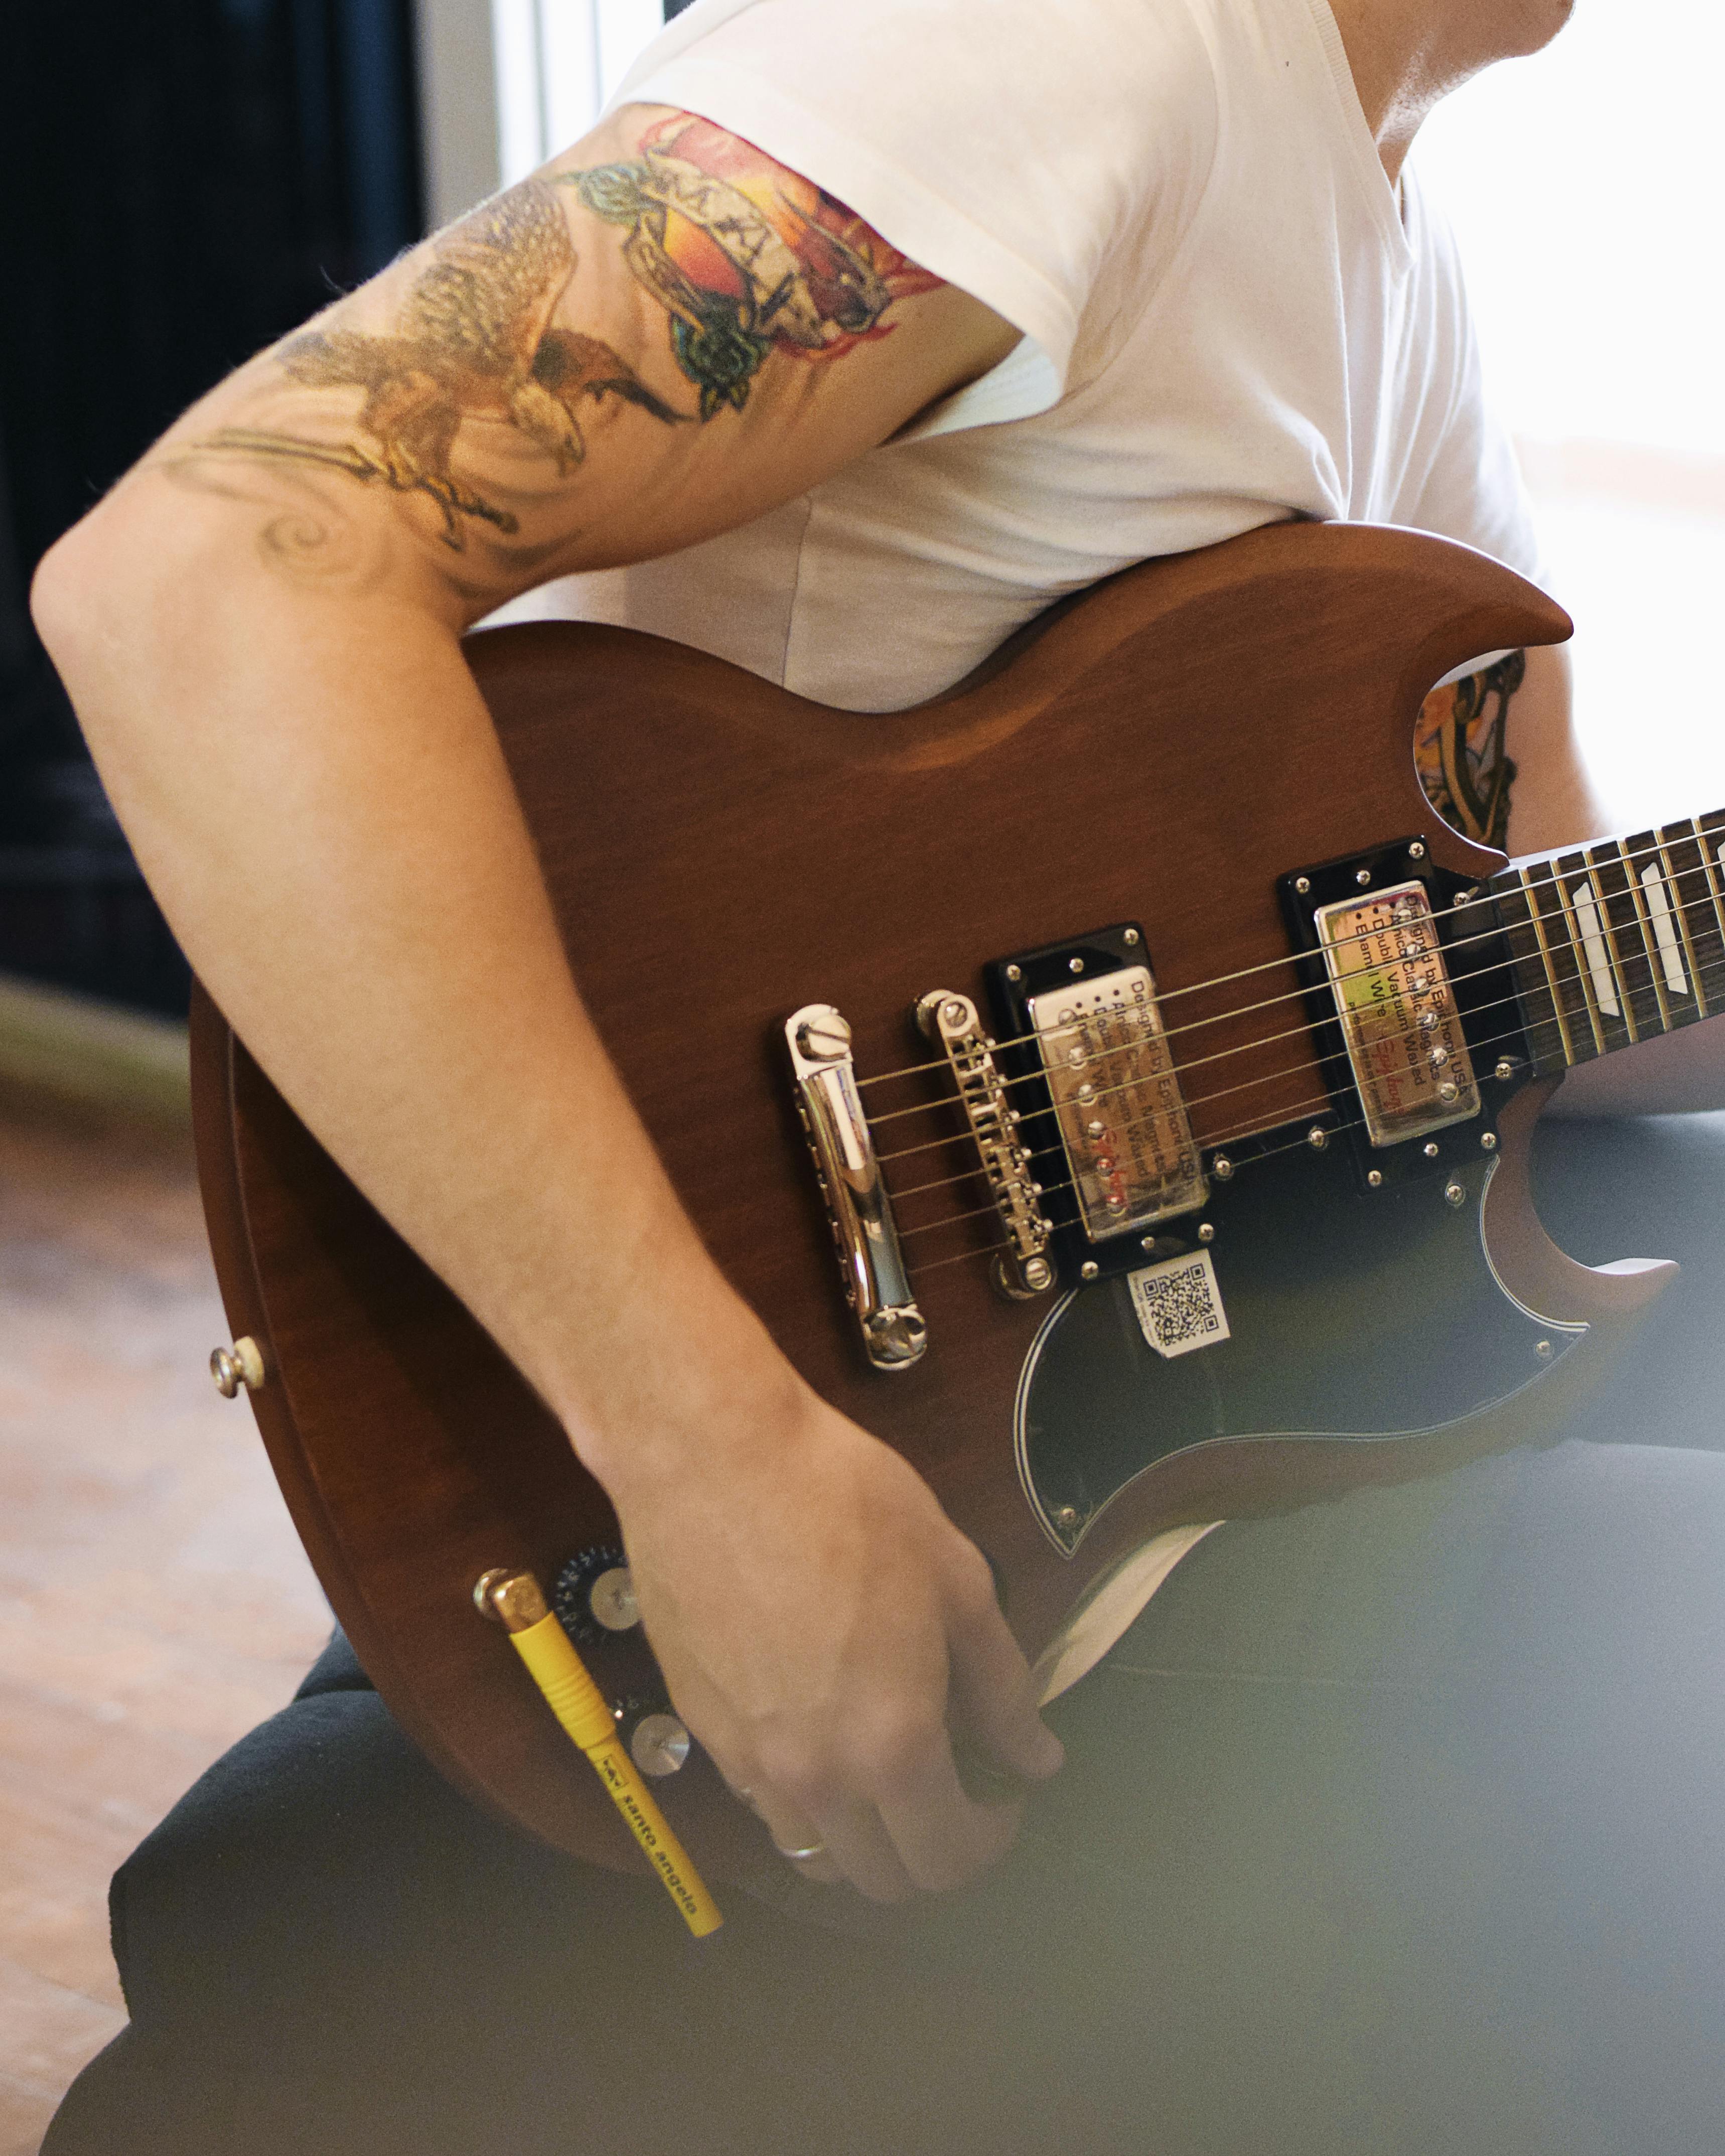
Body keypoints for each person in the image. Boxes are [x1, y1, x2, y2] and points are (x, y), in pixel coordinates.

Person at [30, 0, 1725, 2146]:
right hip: (779, 1454)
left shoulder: (1406, 252)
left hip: (1135, 1353)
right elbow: (196, 583)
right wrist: (711, 1450)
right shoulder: (1068, 47)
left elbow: (1522, 949)